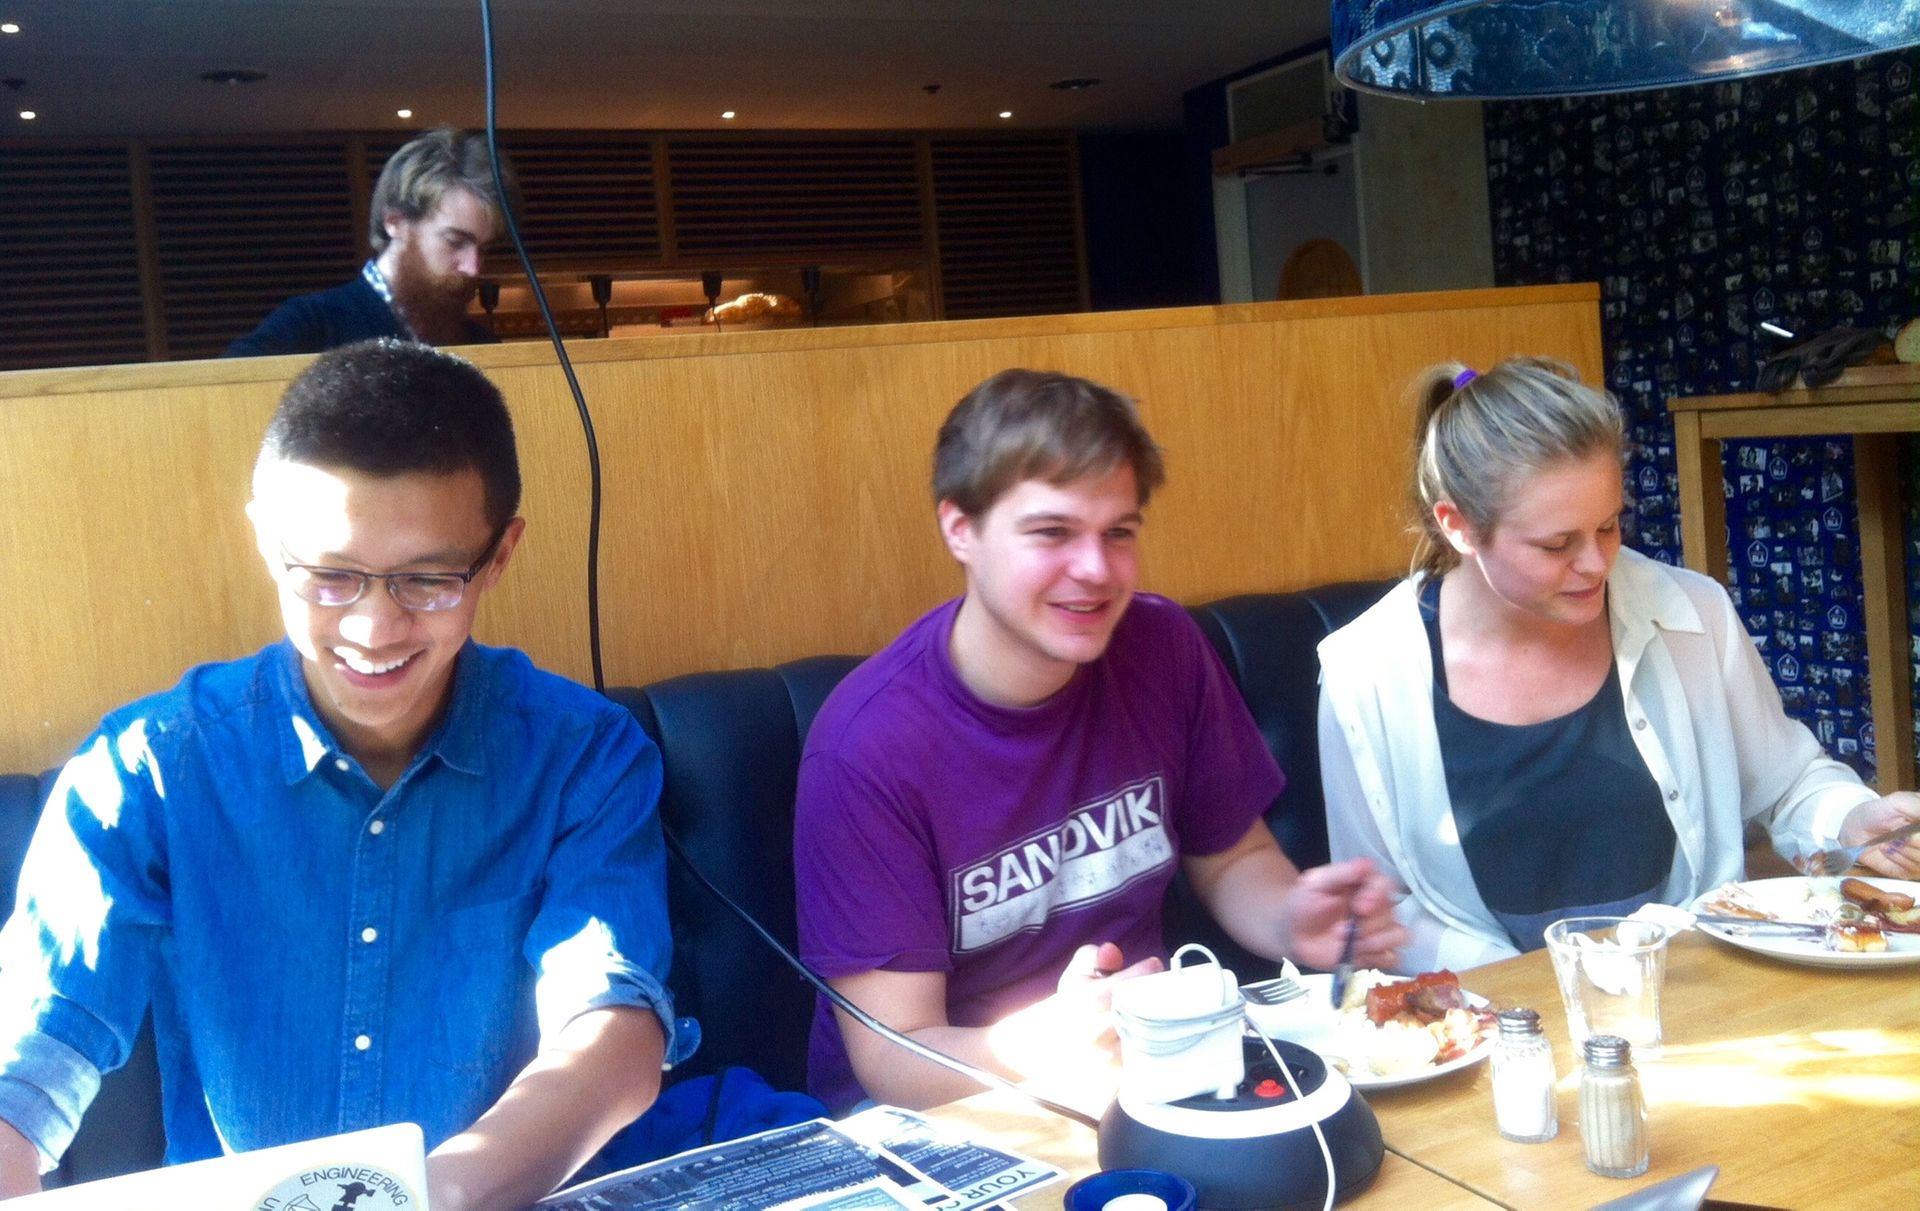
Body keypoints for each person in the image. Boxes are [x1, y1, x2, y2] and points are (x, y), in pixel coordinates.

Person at [0, 340, 687, 1210]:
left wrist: (420, 1197)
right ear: (266, 542)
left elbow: (612, 1031)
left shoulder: (585, 754)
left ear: (500, 555)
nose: (373, 626)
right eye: (330, 575)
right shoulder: (146, 769)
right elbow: (31, 1053)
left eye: (427, 579)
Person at [793, 368, 1405, 1114]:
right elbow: (896, 1057)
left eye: (1118, 532)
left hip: (1148, 1069)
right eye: (1052, 532)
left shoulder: (1163, 646)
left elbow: (1234, 856)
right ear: (961, 529)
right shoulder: (866, 746)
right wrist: (1047, 1041)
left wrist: (1289, 919)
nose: (1095, 570)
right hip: (941, 1115)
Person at [1318, 357, 1920, 973]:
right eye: (1557, 544)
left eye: (1608, 526)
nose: (1596, 564)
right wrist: (1542, 985)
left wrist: (1851, 817)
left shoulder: (1691, 612)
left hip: (1694, 992)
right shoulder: (1363, 673)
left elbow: (1788, 784)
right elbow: (1382, 907)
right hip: (1491, 1022)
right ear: (1459, 527)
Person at [225, 129, 515, 357]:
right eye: (455, 241)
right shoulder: (311, 324)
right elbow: (220, 396)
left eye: (484, 248)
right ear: (395, 222)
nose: (474, 268)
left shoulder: (481, 343)